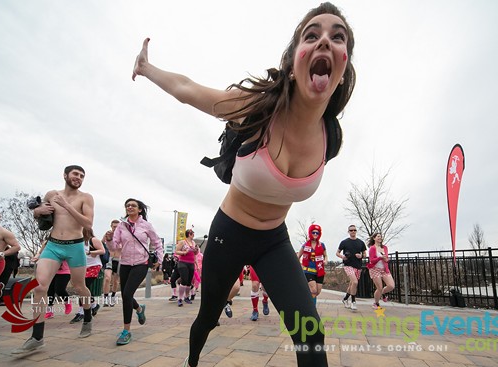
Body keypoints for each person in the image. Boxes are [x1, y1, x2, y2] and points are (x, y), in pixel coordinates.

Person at [132, 2, 355, 365]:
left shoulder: (331, 137)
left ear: (344, 66)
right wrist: (145, 67)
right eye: (312, 35)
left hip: (274, 240)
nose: (325, 42)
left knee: (309, 331)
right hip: (228, 233)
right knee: (207, 317)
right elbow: (187, 89)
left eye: (337, 37)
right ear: (293, 63)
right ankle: (192, 361)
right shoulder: (259, 109)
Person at [12, 165, 95, 354]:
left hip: (75, 245)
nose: (78, 178)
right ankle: (37, 337)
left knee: (79, 285)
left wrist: (66, 206)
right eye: (75, 174)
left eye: (82, 176)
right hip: (53, 245)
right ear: (65, 175)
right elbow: (37, 213)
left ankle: (88, 317)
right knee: (40, 286)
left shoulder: (86, 197)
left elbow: (88, 223)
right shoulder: (52, 193)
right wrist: (37, 211)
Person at [111, 198, 163, 345]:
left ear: (140, 209)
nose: (130, 207)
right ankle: (139, 309)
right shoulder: (122, 225)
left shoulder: (146, 225)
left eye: (133, 205)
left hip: (141, 263)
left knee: (127, 294)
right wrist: (109, 239)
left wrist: (159, 259)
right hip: (125, 263)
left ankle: (126, 331)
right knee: (127, 295)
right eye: (127, 205)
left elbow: (157, 242)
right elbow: (115, 245)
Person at [70, 228, 104, 323]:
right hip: (82, 266)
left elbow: (102, 250)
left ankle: (81, 312)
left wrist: (90, 252)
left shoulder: (93, 240)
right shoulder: (77, 242)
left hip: (94, 266)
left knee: (83, 287)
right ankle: (93, 305)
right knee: (81, 288)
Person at [31, 241, 72, 319]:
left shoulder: (65, 244)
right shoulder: (47, 243)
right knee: (50, 291)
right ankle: (49, 311)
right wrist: (36, 257)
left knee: (59, 290)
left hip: (64, 271)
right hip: (50, 271)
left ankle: (67, 302)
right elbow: (40, 252)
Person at [337, 224, 367, 310]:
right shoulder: (344, 242)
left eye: (354, 230)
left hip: (358, 265)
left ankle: (345, 299)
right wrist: (342, 257)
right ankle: (353, 301)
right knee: (355, 282)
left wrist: (361, 255)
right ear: (348, 232)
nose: (353, 231)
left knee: (351, 284)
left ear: (356, 231)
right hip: (348, 265)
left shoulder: (361, 242)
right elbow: (337, 253)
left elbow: (365, 254)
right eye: (351, 230)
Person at [297, 224, 328, 307]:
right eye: (313, 232)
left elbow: (326, 255)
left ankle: (305, 301)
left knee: (317, 292)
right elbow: (298, 256)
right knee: (313, 290)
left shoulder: (322, 245)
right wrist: (299, 264)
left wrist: (325, 260)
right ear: (310, 233)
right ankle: (312, 309)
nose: (315, 234)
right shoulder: (305, 245)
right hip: (308, 271)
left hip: (319, 271)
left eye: (317, 233)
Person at [366, 233, 394, 309]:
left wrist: (386, 259)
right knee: (379, 287)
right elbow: (371, 260)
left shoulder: (385, 248)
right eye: (378, 236)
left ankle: (383, 293)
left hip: (384, 269)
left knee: (391, 286)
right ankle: (376, 303)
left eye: (380, 237)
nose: (380, 238)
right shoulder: (372, 248)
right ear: (374, 238)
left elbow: (387, 259)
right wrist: (380, 257)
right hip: (374, 269)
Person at [175, 229, 199, 307]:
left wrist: (196, 250)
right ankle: (180, 298)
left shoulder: (193, 243)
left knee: (189, 282)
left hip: (191, 263)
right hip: (183, 263)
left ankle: (186, 297)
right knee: (184, 280)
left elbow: (195, 254)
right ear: (189, 234)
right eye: (192, 234)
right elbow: (176, 251)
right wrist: (184, 252)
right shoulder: (183, 242)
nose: (193, 235)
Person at [102, 219, 121, 307]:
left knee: (115, 281)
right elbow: (101, 244)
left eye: (117, 227)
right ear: (111, 226)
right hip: (109, 258)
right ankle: (105, 297)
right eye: (114, 227)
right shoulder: (107, 235)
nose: (115, 228)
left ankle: (113, 296)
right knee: (107, 278)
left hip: (118, 259)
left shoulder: (122, 236)